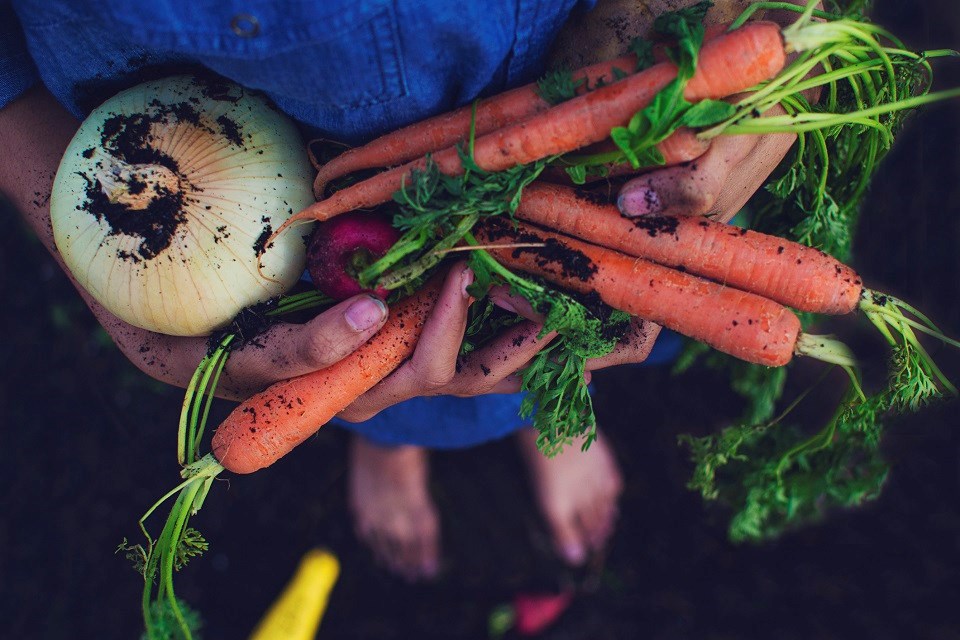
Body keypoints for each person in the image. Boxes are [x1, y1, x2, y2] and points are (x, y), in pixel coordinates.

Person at [0, 0, 796, 581]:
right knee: (352, 350)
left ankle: (533, 419)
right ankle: (397, 439)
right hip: (240, 194)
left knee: (553, 312)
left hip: (594, 106)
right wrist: (116, 282)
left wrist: (758, 25)